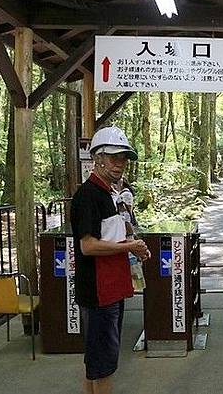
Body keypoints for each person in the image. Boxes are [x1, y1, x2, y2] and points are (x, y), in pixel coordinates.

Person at [71, 125, 150, 394]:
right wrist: (128, 246)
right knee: (102, 364)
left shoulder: (111, 193)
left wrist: (134, 247)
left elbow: (114, 236)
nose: (120, 164)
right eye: (114, 157)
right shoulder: (87, 196)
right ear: (98, 158)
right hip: (97, 291)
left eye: (124, 158)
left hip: (112, 288)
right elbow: (88, 246)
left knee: (97, 361)